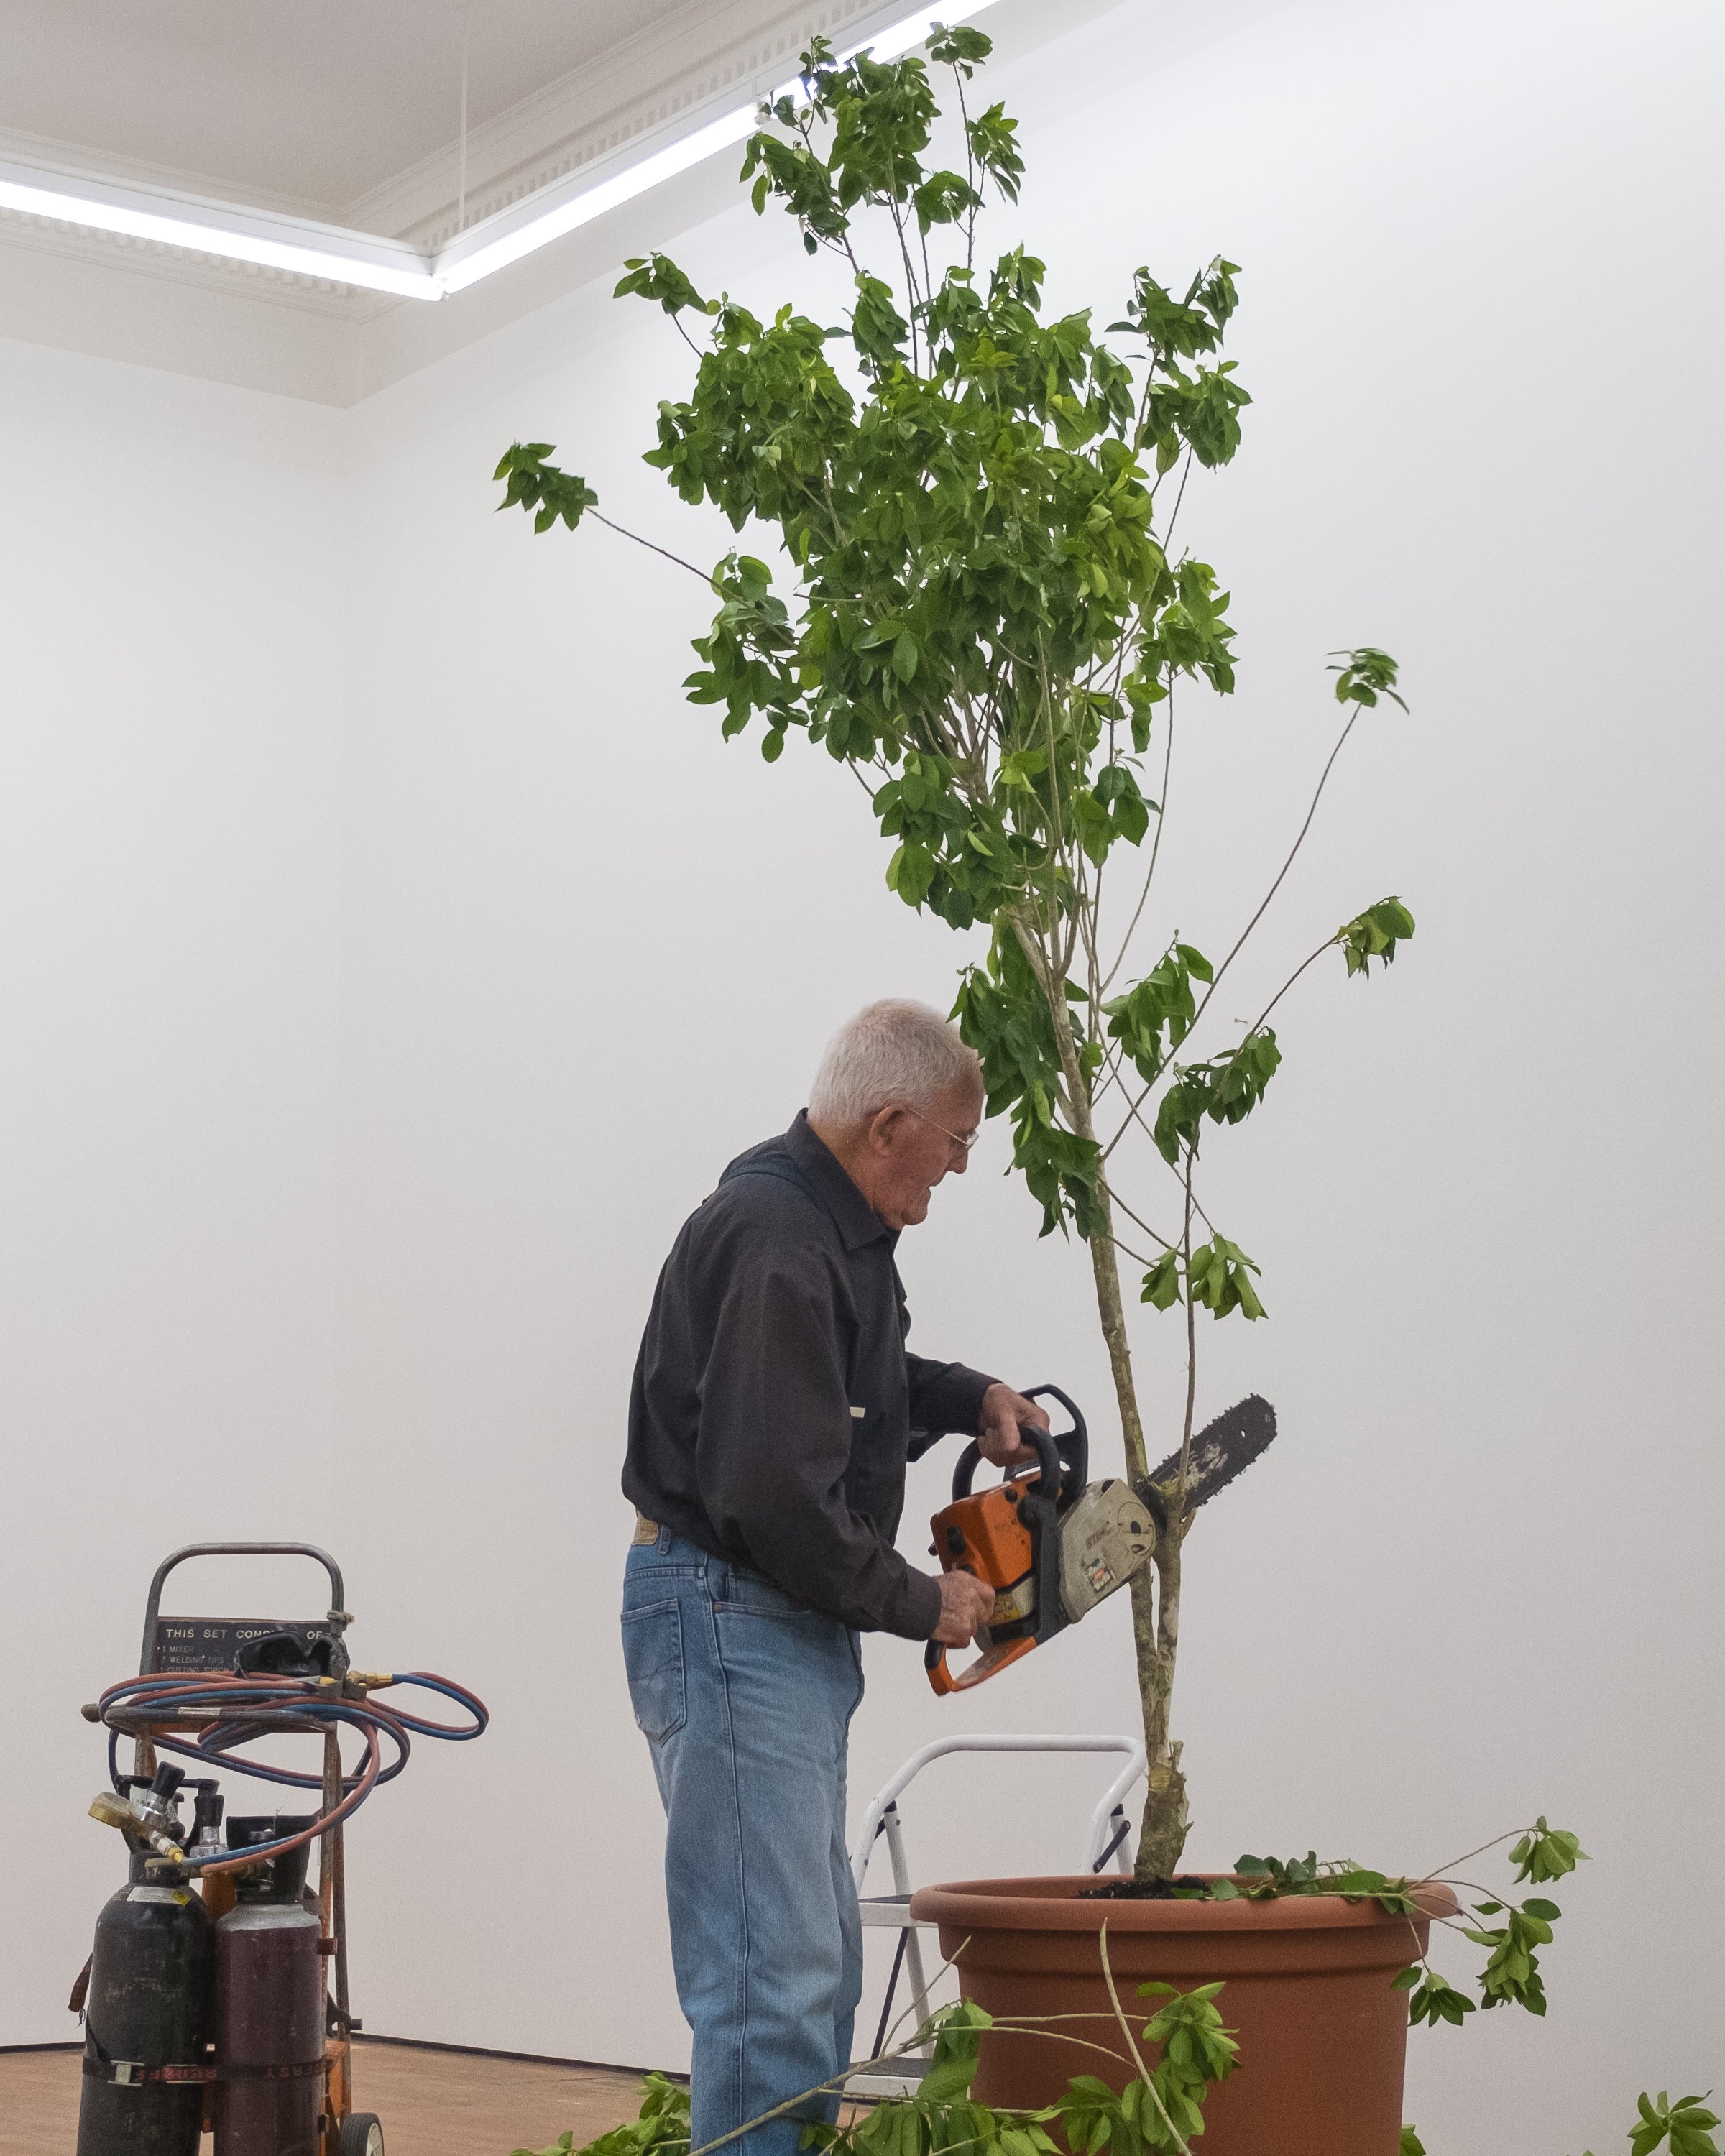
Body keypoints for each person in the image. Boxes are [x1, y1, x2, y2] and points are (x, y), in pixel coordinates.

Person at [622, 999, 1053, 2156]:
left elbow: (846, 1380)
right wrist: (930, 1601)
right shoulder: (779, 1239)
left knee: (813, 1963)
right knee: (774, 1982)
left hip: (769, 1622)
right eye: (957, 1142)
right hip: (734, 1612)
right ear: (889, 1121)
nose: (959, 1168)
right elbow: (775, 1496)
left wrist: (970, 1398)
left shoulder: (819, 1228)